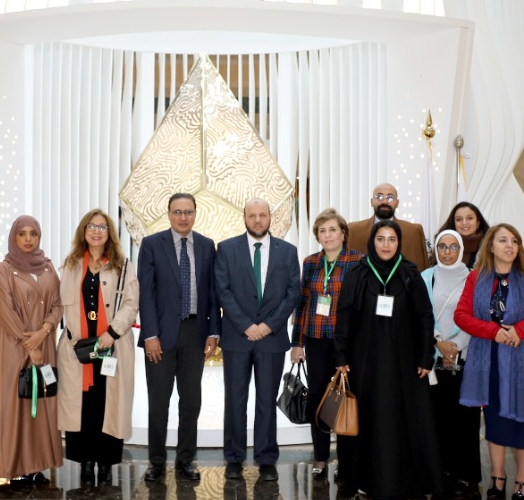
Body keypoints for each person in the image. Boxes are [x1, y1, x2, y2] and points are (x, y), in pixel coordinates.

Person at [333, 220, 442, 500]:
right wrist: (341, 355)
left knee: (402, 421)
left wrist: (425, 356)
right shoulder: (357, 274)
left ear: (398, 242)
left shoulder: (409, 274)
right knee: (369, 420)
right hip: (364, 364)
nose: (385, 245)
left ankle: (406, 483)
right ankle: (366, 481)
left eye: (391, 239)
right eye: (380, 239)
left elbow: (424, 317)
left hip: (404, 365)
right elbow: (344, 315)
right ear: (372, 242)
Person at [455, 223, 524, 500]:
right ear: (491, 246)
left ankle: (523, 481)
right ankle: (497, 478)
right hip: (489, 362)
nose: (510, 246)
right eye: (503, 240)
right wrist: (494, 331)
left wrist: (521, 331)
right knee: (497, 423)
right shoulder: (477, 278)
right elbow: (461, 316)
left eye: (514, 240)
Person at [214, 198, 301, 482]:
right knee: (235, 400)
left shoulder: (288, 251)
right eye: (252, 215)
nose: (258, 220)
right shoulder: (226, 249)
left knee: (266, 399)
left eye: (263, 215)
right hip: (238, 338)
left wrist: (267, 326)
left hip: (271, 339)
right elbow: (223, 291)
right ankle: (234, 458)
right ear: (244, 218)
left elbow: (292, 293)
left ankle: (266, 458)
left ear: (270, 217)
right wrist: (246, 326)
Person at [137, 192, 219, 482]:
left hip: (195, 333)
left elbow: (212, 292)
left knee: (191, 401)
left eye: (188, 212)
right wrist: (150, 335)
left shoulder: (208, 246)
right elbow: (145, 294)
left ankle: (186, 460)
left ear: (195, 213)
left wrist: (213, 331)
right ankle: (156, 462)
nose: (183, 217)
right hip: (160, 336)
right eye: (177, 212)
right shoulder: (151, 245)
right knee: (159, 402)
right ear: (168, 214)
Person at [56, 209, 141, 486]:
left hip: (111, 347)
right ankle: (85, 464)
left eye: (102, 227)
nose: (96, 231)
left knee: (108, 406)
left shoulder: (123, 265)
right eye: (91, 226)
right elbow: (58, 305)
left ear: (109, 233)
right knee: (84, 408)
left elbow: (130, 304)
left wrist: (111, 333)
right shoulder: (70, 265)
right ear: (84, 231)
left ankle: (105, 465)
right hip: (77, 350)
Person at [0, 215, 64, 485]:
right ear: (14, 237)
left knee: (40, 405)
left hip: (43, 344)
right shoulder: (2, 271)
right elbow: (5, 313)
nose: (28, 239)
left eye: (33, 234)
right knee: (12, 406)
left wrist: (44, 331)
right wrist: (30, 347)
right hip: (11, 348)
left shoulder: (49, 268)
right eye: (23, 234)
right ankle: (11, 465)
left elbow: (58, 305)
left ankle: (35, 465)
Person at [290, 208, 363, 479]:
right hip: (316, 339)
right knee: (319, 401)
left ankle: (347, 462)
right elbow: (302, 304)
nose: (328, 235)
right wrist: (297, 343)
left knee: (344, 400)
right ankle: (320, 458)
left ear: (343, 233)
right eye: (322, 231)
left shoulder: (358, 261)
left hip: (347, 344)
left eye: (332, 229)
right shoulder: (310, 262)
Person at [420, 229, 481, 498]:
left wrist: (456, 348)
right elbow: (421, 314)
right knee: (437, 421)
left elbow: (477, 315)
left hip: (464, 358)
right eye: (442, 247)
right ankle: (440, 475)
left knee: (465, 421)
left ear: (461, 250)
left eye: (452, 247)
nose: (447, 252)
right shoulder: (426, 277)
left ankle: (466, 478)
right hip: (434, 361)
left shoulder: (473, 278)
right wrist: (438, 342)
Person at [345, 182, 429, 271]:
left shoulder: (413, 232)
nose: (384, 201)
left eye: (390, 198)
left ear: (397, 203)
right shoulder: (353, 230)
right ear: (372, 202)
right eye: (379, 197)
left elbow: (422, 273)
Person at [438, 202, 488, 268]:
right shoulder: (442, 245)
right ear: (454, 223)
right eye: (459, 219)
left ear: (478, 222)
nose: (464, 223)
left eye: (470, 218)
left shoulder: (490, 246)